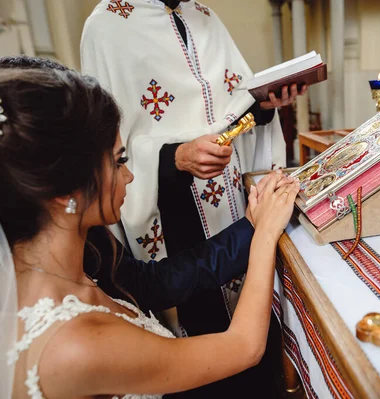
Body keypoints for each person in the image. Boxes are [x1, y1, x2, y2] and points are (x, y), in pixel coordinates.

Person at [0, 67, 300, 398]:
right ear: (63, 191)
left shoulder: (52, 268)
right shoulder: (75, 346)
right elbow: (243, 348)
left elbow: (149, 282)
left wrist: (253, 224)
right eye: (118, 161)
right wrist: (266, 234)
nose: (129, 176)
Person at [81, 2, 307, 396]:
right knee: (202, 340)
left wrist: (264, 106)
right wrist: (175, 156)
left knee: (254, 320)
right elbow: (104, 149)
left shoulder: (204, 15)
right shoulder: (106, 25)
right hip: (170, 208)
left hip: (230, 196)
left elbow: (235, 106)